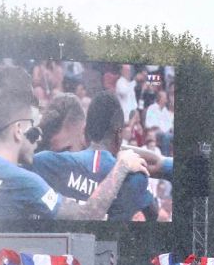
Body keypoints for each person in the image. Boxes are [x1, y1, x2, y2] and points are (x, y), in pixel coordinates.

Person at [31, 91, 160, 222]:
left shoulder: (43, 162)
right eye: (57, 153)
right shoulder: (41, 164)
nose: (63, 156)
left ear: (84, 131)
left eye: (67, 149)